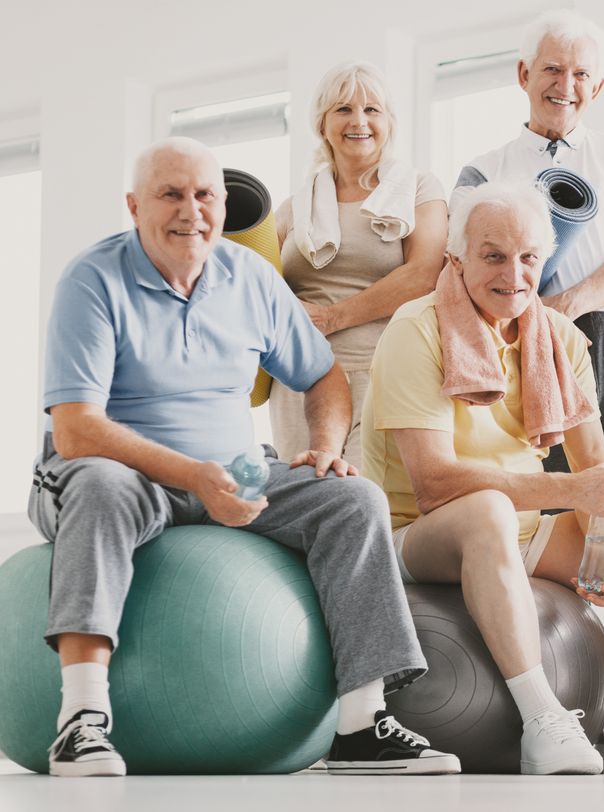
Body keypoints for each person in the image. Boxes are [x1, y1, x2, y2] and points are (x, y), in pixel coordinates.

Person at [31, 137, 458, 778]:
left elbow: (325, 379)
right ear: (134, 205)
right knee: (98, 484)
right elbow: (77, 430)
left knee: (353, 498)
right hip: (121, 472)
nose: (190, 210)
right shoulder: (93, 279)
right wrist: (192, 476)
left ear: (224, 204)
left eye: (204, 195)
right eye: (170, 194)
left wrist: (321, 447)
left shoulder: (251, 277)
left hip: (233, 471)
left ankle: (360, 724)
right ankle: (82, 721)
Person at [362, 180, 604, 774]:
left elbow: (595, 467)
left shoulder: (562, 339)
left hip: (518, 532)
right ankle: (543, 718)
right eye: (493, 255)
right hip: (416, 534)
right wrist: (571, 492)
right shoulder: (415, 329)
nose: (514, 275)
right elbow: (434, 484)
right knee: (489, 509)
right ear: (457, 259)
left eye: (528, 258)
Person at [451, 8, 604, 733]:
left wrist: (564, 308)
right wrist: (541, 330)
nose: (566, 85)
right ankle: (563, 708)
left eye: (582, 73)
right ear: (523, 75)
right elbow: (463, 270)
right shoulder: (483, 170)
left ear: (600, 84)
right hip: (529, 352)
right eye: (552, 69)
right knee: (554, 518)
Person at [271, 61, 448, 469]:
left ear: (389, 122)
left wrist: (332, 318)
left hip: (382, 370)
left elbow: (424, 275)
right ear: (322, 123)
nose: (359, 121)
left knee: (365, 502)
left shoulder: (419, 189)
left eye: (372, 110)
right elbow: (266, 287)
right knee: (304, 497)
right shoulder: (291, 208)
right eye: (343, 109)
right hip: (300, 379)